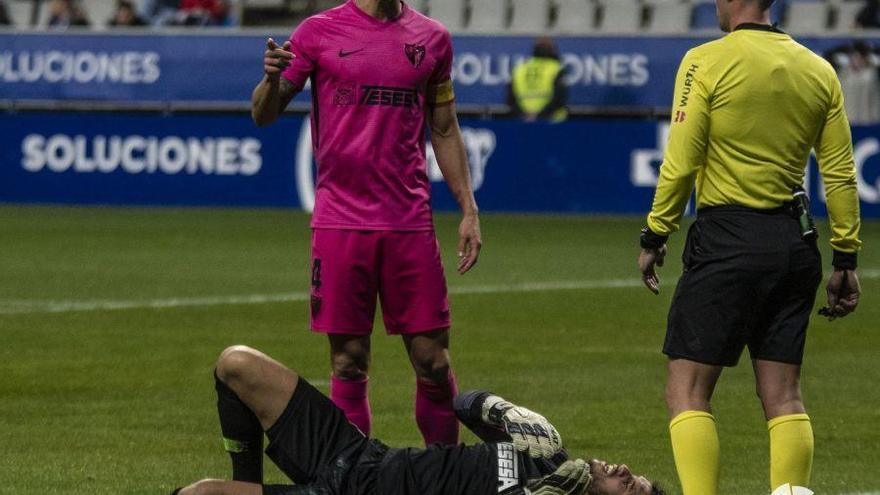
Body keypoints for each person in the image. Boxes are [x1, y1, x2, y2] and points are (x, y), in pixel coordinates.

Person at [637, 0, 862, 493]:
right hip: (794, 244)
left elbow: (680, 160)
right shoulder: (818, 70)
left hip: (728, 239)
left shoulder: (705, 61)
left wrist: (657, 232)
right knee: (783, 396)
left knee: (688, 390)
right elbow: (840, 172)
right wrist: (845, 257)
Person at [251, 0, 482, 448]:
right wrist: (271, 78)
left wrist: (468, 209)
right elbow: (263, 113)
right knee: (348, 363)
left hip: (408, 223)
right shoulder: (317, 32)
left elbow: (446, 127)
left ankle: (446, 475)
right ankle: (352, 479)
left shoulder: (432, 39)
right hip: (341, 223)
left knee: (433, 362)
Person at [171, 345, 665, 495]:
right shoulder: (546, 454)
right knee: (235, 364)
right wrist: (519, 422)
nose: (624, 471)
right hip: (357, 453)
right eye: (634, 474)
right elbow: (464, 402)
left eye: (633, 489)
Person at [508, 37, 568, 123]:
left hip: (524, 122)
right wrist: (539, 116)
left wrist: (525, 115)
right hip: (553, 122)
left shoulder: (520, 69)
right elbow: (560, 98)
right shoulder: (556, 68)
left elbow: (510, 99)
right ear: (553, 50)